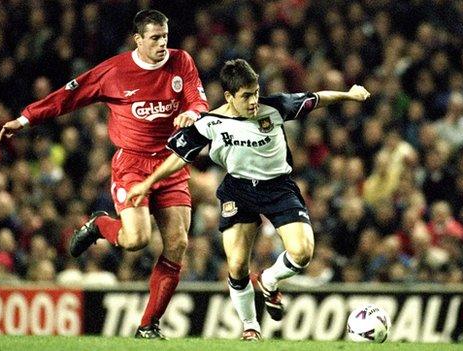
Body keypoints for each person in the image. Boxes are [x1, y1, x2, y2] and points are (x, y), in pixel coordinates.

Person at [0, 10, 208, 339]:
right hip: (133, 165)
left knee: (178, 243)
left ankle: (148, 325)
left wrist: (192, 114)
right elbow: (68, 96)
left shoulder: (181, 62)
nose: (162, 44)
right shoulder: (114, 71)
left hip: (171, 163)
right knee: (136, 240)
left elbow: (198, 99)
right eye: (154, 38)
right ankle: (99, 224)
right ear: (138, 39)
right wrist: (25, 120)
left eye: (165, 36)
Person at [126, 59, 370, 340]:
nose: (253, 100)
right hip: (239, 190)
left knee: (302, 253)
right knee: (237, 265)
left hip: (279, 188)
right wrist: (146, 183)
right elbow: (177, 158)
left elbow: (316, 98)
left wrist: (349, 94)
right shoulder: (209, 123)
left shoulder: (275, 107)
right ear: (229, 96)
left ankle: (268, 280)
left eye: (255, 93)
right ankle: (250, 327)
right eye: (246, 96)